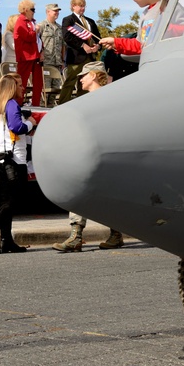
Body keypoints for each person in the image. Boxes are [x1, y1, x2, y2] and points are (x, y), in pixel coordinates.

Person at [52, 62, 125, 252]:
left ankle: (111, 234)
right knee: (81, 192)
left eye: (84, 75)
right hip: (92, 154)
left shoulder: (106, 99)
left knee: (104, 196)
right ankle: (80, 236)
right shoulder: (91, 100)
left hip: (104, 155)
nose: (80, 79)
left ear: (93, 76)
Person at [0, 72, 37, 254]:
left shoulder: (0, 104)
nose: (22, 87)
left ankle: (6, 240)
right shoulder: (11, 104)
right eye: (19, 85)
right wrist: (31, 123)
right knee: (13, 200)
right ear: (11, 88)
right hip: (12, 159)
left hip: (1, 158)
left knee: (7, 200)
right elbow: (17, 127)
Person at [59, 0, 101, 104]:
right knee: (70, 82)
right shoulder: (68, 20)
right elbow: (67, 37)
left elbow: (98, 37)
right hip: (76, 58)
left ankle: (82, 104)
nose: (83, 8)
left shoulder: (90, 21)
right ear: (73, 6)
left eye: (84, 6)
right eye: (80, 6)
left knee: (85, 83)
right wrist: (83, 45)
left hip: (90, 57)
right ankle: (62, 105)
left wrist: (97, 46)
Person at [14, 0, 44, 106]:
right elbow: (28, 37)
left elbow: (38, 39)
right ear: (26, 10)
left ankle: (36, 104)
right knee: (22, 81)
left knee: (38, 82)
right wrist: (35, 30)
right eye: (32, 9)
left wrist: (42, 51)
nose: (34, 12)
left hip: (35, 55)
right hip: (26, 56)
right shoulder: (20, 21)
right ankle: (18, 104)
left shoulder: (32, 22)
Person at [38, 3, 65, 107]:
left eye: (58, 11)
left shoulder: (59, 28)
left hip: (57, 63)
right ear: (48, 12)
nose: (57, 13)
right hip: (46, 63)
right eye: (55, 11)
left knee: (55, 90)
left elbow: (63, 45)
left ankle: (50, 109)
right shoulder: (42, 26)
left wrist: (62, 60)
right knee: (45, 90)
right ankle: (41, 110)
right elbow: (37, 42)